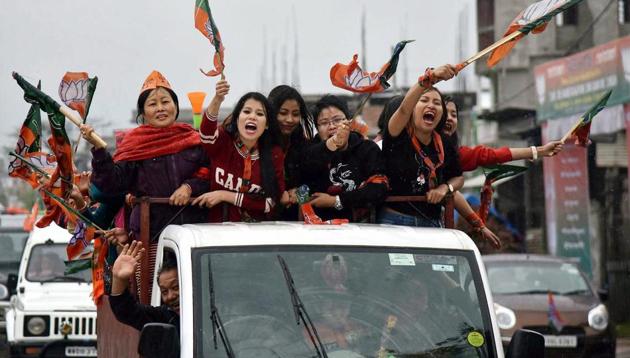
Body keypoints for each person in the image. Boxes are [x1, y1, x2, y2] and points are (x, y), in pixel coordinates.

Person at [80, 70, 210, 240]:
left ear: (175, 107)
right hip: (150, 233)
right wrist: (98, 149)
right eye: (153, 104)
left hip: (194, 232)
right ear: (143, 113)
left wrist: (189, 187)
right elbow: (112, 183)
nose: (160, 108)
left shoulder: (192, 138)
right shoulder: (134, 143)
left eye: (165, 102)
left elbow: (210, 171)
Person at [380, 65, 463, 227]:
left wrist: (444, 189)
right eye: (424, 100)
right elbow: (403, 109)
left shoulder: (444, 142)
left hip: (431, 221)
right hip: (394, 221)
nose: (431, 106)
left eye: (437, 103)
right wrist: (427, 79)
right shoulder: (397, 134)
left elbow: (458, 178)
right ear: (412, 111)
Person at [193, 79, 286, 222]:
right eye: (247, 111)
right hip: (216, 232)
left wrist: (225, 195)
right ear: (237, 119)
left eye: (260, 114)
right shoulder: (224, 140)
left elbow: (271, 203)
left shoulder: (274, 153)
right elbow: (206, 135)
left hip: (255, 236)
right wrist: (218, 98)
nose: (252, 116)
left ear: (267, 124)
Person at [300, 95, 388, 222]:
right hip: (317, 227)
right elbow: (301, 182)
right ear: (317, 128)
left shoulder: (367, 149)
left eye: (337, 120)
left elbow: (379, 188)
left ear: (348, 122)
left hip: (360, 227)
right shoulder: (309, 150)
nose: (331, 126)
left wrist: (335, 201)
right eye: (324, 123)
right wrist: (332, 144)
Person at [109, 240, 180, 331]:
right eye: (164, 292)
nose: (170, 296)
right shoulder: (166, 318)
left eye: (175, 287)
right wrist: (119, 279)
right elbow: (126, 311)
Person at [267, 85, 315, 219]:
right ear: (271, 112)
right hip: (258, 220)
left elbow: (313, 180)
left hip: (293, 224)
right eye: (283, 113)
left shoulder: (303, 144)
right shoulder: (257, 142)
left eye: (295, 114)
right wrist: (278, 194)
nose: (289, 119)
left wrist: (300, 191)